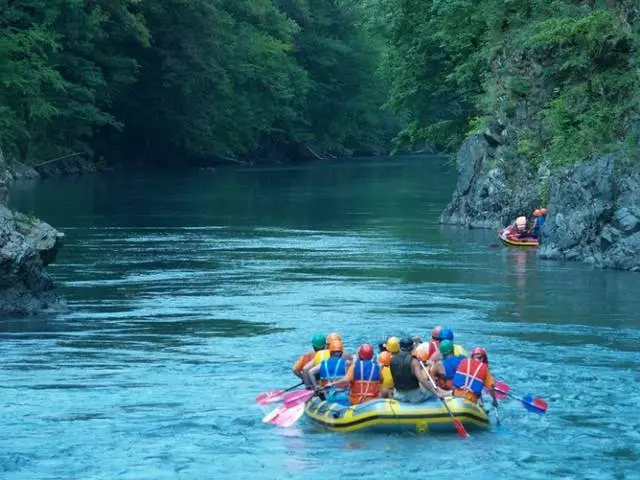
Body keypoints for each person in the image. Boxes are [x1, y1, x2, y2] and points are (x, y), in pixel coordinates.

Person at [390, 337, 440, 403]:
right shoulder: (414, 361)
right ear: (412, 347)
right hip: (414, 397)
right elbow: (422, 380)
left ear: (399, 346)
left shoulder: (392, 359)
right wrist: (435, 393)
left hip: (398, 395)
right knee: (431, 387)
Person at [308, 339, 350, 405]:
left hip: (328, 397)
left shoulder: (323, 364)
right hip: (344, 396)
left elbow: (310, 372)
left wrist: (316, 386)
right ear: (341, 352)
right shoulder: (346, 363)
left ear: (330, 352)